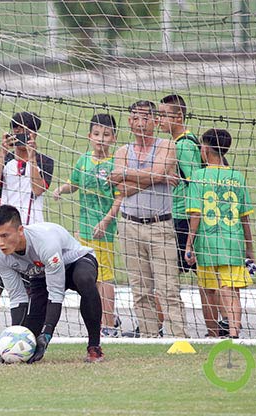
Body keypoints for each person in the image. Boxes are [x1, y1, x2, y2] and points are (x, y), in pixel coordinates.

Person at [0, 205, 104, 363]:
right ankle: (2, 346)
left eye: (5, 236)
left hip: (76, 263)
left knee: (84, 279)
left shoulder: (45, 243)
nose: (0, 243)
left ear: (20, 230)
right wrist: (14, 338)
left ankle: (94, 347)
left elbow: (55, 293)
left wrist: (46, 336)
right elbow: (17, 297)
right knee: (29, 334)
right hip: (42, 274)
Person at [109, 100, 187, 338]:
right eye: (135, 118)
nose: (140, 123)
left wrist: (131, 175)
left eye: (145, 118)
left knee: (168, 289)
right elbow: (117, 183)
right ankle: (149, 336)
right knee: (140, 290)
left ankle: (178, 338)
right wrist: (157, 177)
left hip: (160, 225)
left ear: (155, 121)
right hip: (129, 225)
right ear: (129, 121)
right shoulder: (123, 151)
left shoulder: (167, 146)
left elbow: (157, 171)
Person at [0, 111, 54, 336]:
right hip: (2, 235)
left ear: (34, 134)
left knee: (33, 290)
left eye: (25, 132)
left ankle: (30, 333)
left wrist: (31, 157)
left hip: (31, 237)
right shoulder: (4, 160)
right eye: (16, 132)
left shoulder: (44, 161)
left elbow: (39, 189)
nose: (20, 137)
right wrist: (2, 151)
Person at [53, 114, 122, 336]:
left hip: (104, 232)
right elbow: (73, 183)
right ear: (89, 136)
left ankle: (109, 325)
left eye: (106, 135)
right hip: (83, 229)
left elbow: (120, 197)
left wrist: (105, 221)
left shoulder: (115, 164)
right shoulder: (83, 160)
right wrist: (61, 190)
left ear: (113, 138)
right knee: (88, 277)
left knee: (104, 276)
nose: (101, 139)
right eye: (96, 134)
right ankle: (102, 317)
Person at [185, 128, 255, 338]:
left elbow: (196, 214)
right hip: (233, 243)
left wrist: (189, 244)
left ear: (205, 149)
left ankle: (212, 333)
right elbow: (245, 216)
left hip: (207, 243)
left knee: (207, 289)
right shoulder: (237, 176)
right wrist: (249, 248)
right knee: (231, 289)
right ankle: (234, 332)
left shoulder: (198, 176)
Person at [158, 94, 202, 275]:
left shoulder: (183, 146)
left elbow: (194, 182)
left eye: (162, 115)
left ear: (178, 118)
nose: (158, 119)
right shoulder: (178, 142)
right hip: (179, 216)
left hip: (183, 218)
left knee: (167, 274)